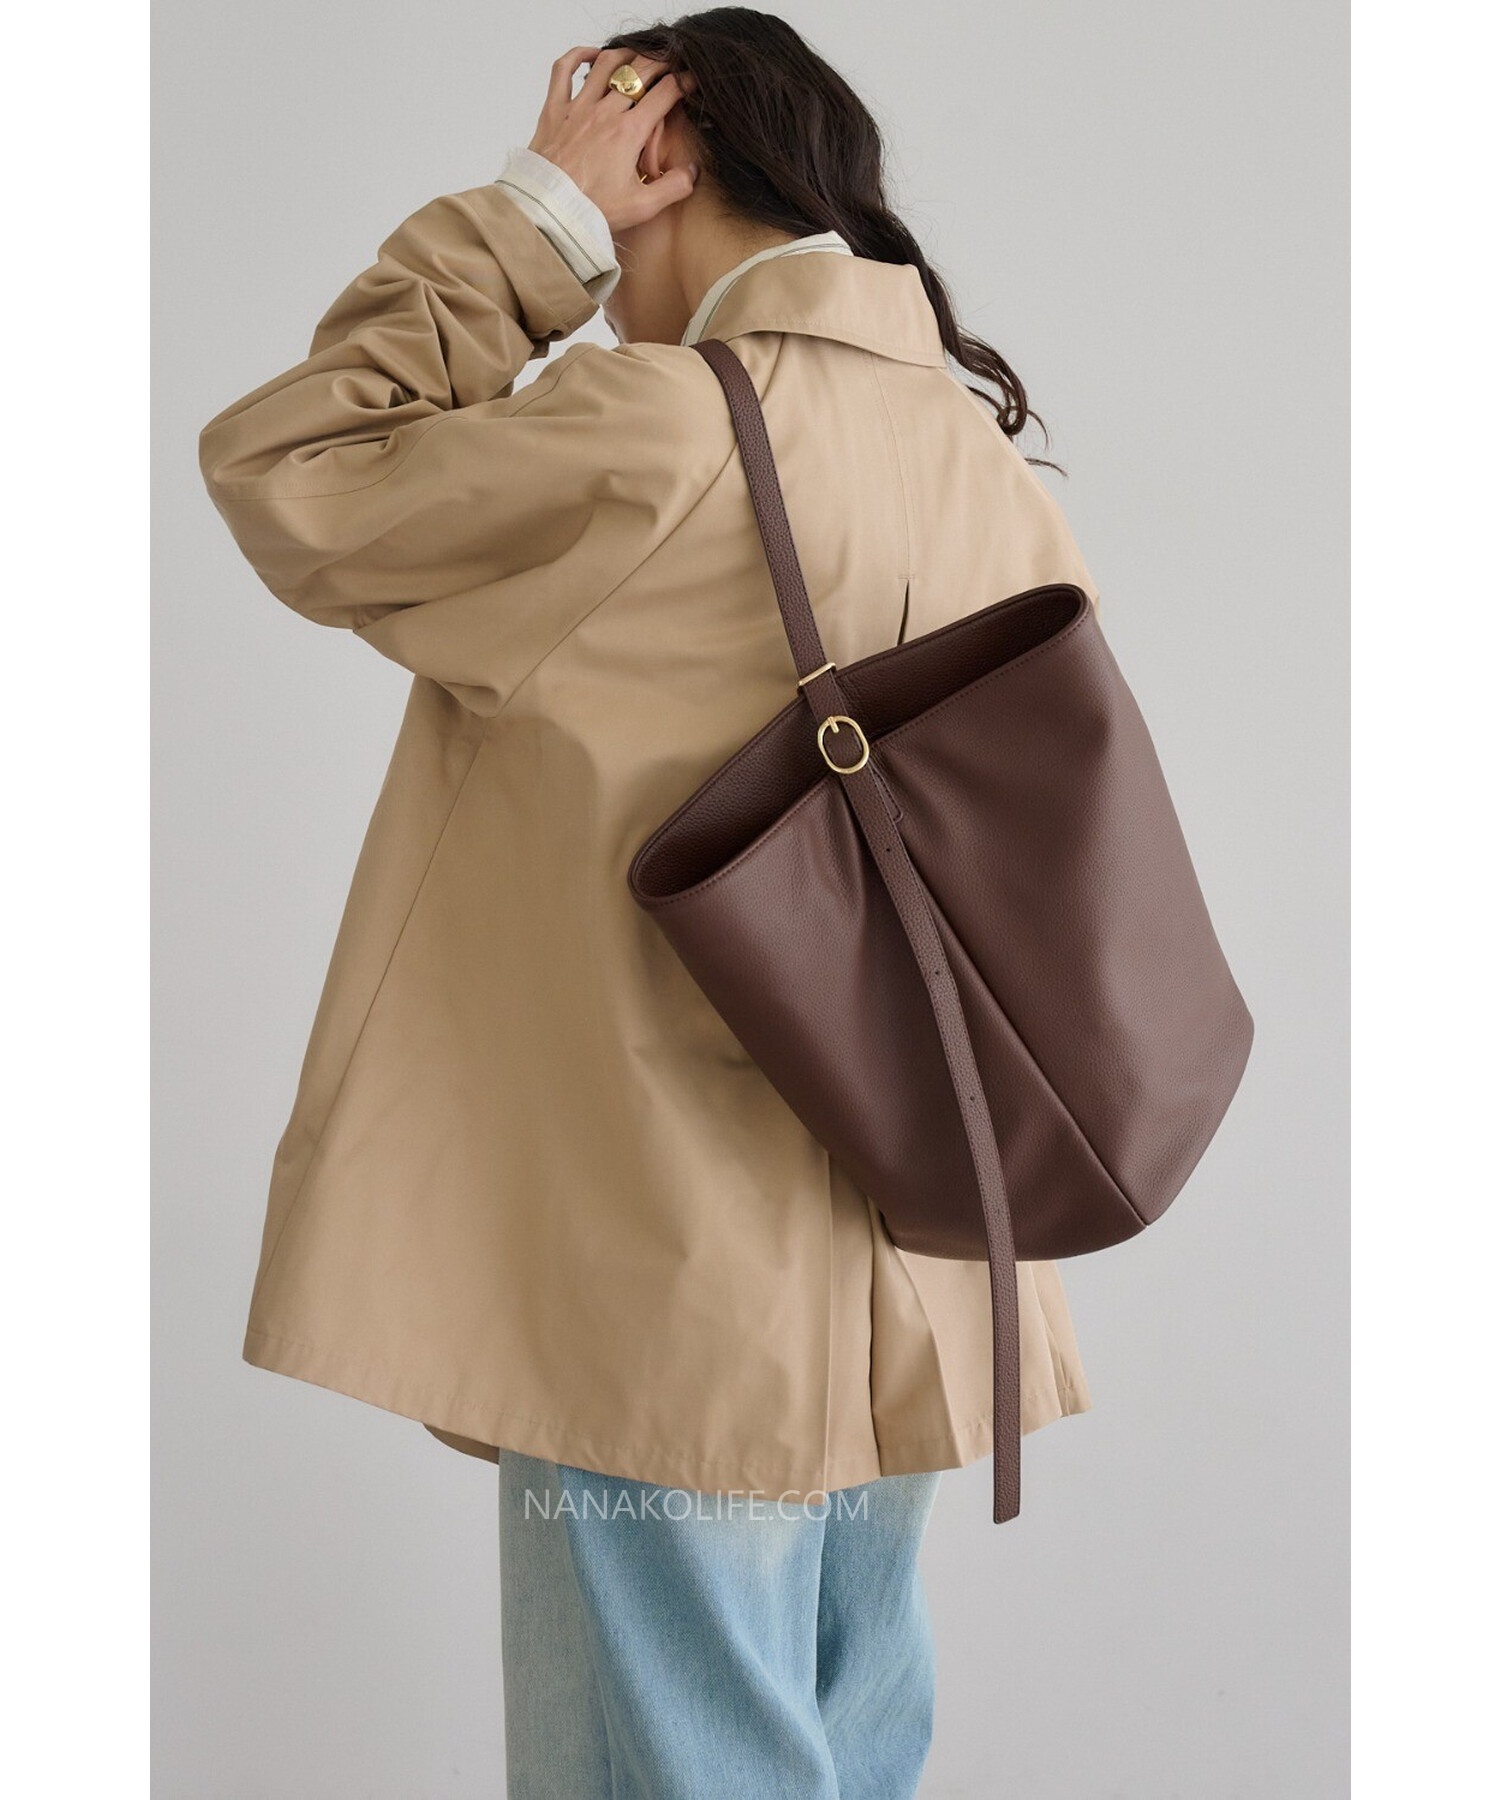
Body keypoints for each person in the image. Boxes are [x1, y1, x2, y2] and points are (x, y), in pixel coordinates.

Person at [199, 9, 1101, 1795]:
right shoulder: (972, 456)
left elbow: (296, 474)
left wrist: (531, 216)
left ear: (659, 149)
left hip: (664, 1262)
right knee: (840, 1742)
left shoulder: (656, 430)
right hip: (919, 1242)